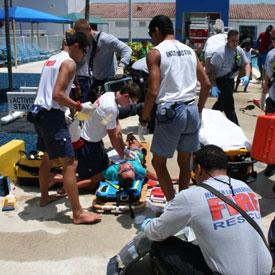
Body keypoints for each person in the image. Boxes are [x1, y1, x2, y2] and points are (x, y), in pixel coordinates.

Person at [142, 145, 273, 275]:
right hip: (266, 270)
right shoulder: (244, 186)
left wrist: (148, 225)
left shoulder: (191, 196)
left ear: (198, 169)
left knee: (162, 245)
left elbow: (155, 233)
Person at [140, 15, 211, 201]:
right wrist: (200, 110)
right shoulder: (189, 50)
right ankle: (184, 202)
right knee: (184, 161)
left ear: (156, 30)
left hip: (171, 112)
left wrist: (144, 119)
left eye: (151, 34)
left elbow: (153, 91)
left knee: (158, 162)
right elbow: (207, 84)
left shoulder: (155, 53)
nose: (151, 39)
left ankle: (173, 204)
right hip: (191, 110)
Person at [32, 32, 101, 224]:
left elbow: (43, 90)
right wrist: (78, 107)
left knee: (47, 158)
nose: (83, 57)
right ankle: (78, 213)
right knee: (70, 163)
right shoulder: (69, 63)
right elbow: (57, 94)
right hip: (52, 116)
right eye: (85, 51)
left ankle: (44, 196)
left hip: (38, 112)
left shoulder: (51, 60)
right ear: (77, 46)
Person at [76, 82, 141, 186]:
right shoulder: (110, 108)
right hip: (88, 143)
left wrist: (124, 149)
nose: (129, 105)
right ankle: (63, 182)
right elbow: (113, 136)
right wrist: (122, 155)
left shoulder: (110, 95)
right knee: (92, 181)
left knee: (104, 168)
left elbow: (117, 128)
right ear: (126, 96)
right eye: (130, 102)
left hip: (96, 141)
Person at [74, 19, 132, 102]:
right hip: (96, 80)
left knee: (110, 108)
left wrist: (121, 66)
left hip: (111, 80)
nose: (80, 38)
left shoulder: (105, 39)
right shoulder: (84, 42)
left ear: (89, 29)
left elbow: (127, 49)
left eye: (82, 35)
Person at [209, 29, 251, 125]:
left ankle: (209, 120)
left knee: (221, 104)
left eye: (237, 41)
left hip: (230, 81)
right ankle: (236, 128)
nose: (235, 43)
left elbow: (247, 63)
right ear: (227, 40)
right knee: (229, 106)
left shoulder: (239, 50)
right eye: (233, 41)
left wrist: (247, 76)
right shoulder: (220, 53)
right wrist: (213, 85)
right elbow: (211, 71)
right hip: (221, 81)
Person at [262, 28, 275, 177]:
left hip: (272, 99)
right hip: (272, 99)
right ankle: (271, 164)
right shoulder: (271, 54)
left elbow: (266, 79)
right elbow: (266, 79)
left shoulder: (271, 54)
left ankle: (271, 164)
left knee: (271, 134)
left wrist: (263, 94)